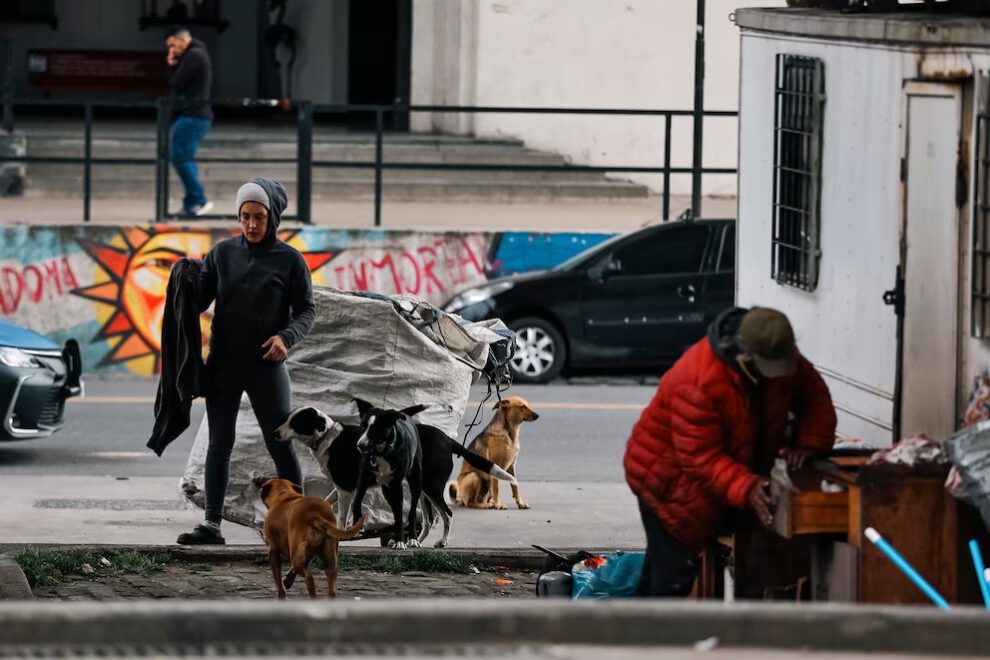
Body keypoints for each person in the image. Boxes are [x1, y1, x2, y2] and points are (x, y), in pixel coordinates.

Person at [623, 307, 837, 597]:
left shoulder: (777, 351)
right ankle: (653, 638)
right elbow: (700, 457)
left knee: (662, 574)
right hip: (667, 481)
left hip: (719, 474)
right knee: (673, 575)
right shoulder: (697, 380)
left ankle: (632, 630)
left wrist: (810, 443)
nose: (777, 375)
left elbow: (815, 397)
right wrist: (747, 486)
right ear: (744, 356)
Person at [177, 178, 316, 545]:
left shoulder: (290, 259)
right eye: (245, 217)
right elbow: (200, 301)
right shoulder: (222, 254)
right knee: (219, 444)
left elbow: (306, 311)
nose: (252, 225)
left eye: (259, 217)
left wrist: (285, 338)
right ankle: (211, 525)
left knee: (280, 443)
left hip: (266, 366)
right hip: (222, 364)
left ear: (273, 218)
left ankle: (296, 523)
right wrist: (186, 280)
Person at [165, 26, 213, 218]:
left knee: (178, 155)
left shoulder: (194, 55)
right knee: (186, 157)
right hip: (195, 115)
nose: (172, 50)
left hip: (193, 115)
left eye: (173, 45)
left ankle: (199, 199)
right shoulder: (196, 54)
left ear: (183, 40)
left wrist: (171, 65)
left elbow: (177, 83)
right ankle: (192, 202)